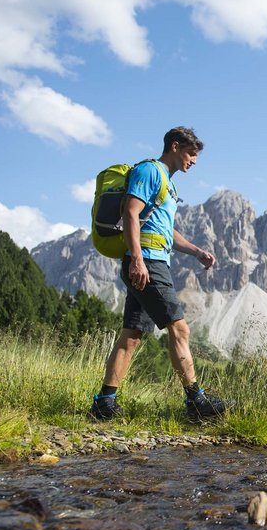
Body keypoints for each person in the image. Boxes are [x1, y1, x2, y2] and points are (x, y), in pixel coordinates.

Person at [90, 126, 229, 422]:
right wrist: (137, 260)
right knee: (180, 329)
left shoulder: (168, 183)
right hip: (148, 263)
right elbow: (130, 212)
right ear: (175, 147)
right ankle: (196, 402)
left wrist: (196, 251)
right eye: (191, 153)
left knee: (132, 335)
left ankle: (105, 403)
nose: (194, 160)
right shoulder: (151, 171)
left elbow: (164, 228)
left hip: (153, 261)